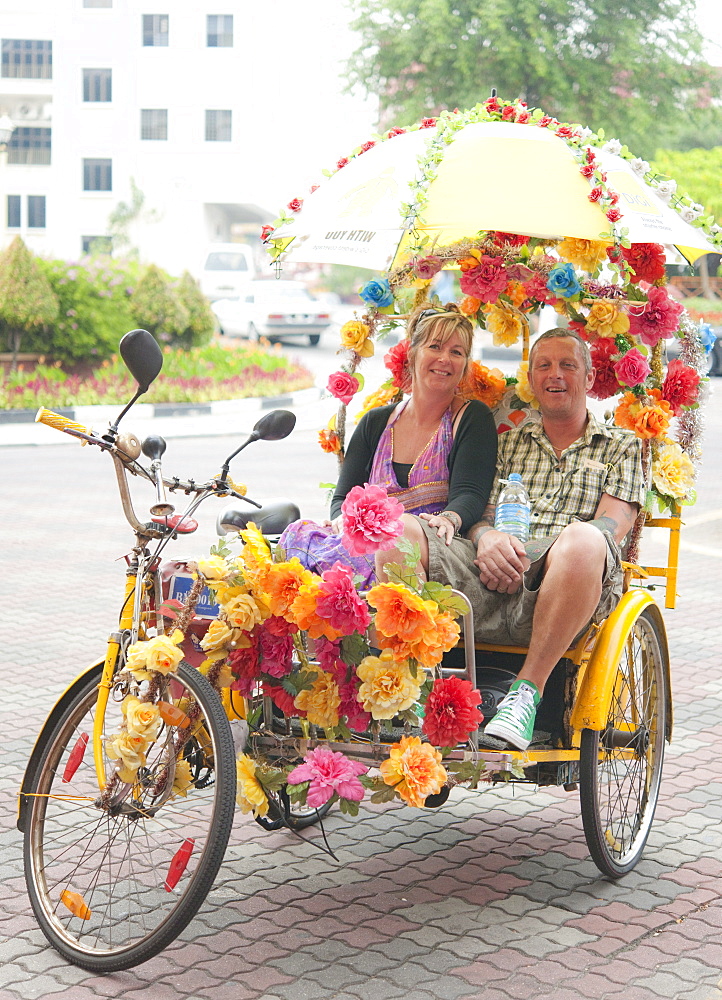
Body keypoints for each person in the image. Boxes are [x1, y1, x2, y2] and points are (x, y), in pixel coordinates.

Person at [415, 328, 646, 751]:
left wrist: (542, 553)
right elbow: (480, 514)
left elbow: (612, 526)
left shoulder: (622, 445)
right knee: (415, 535)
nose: (555, 375)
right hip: (495, 563)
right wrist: (487, 539)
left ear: (590, 378)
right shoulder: (509, 443)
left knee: (584, 538)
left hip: (570, 572)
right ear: (532, 378)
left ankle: (525, 695)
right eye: (544, 366)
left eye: (567, 365)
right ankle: (410, 683)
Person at [279, 305, 498, 587]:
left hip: (429, 546)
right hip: (366, 544)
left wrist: (450, 519)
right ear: (412, 353)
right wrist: (342, 522)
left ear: (465, 364)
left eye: (457, 352)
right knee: (296, 534)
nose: (445, 359)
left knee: (387, 546)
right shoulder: (376, 422)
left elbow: (470, 494)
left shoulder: (471, 418)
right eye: (435, 347)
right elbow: (343, 497)